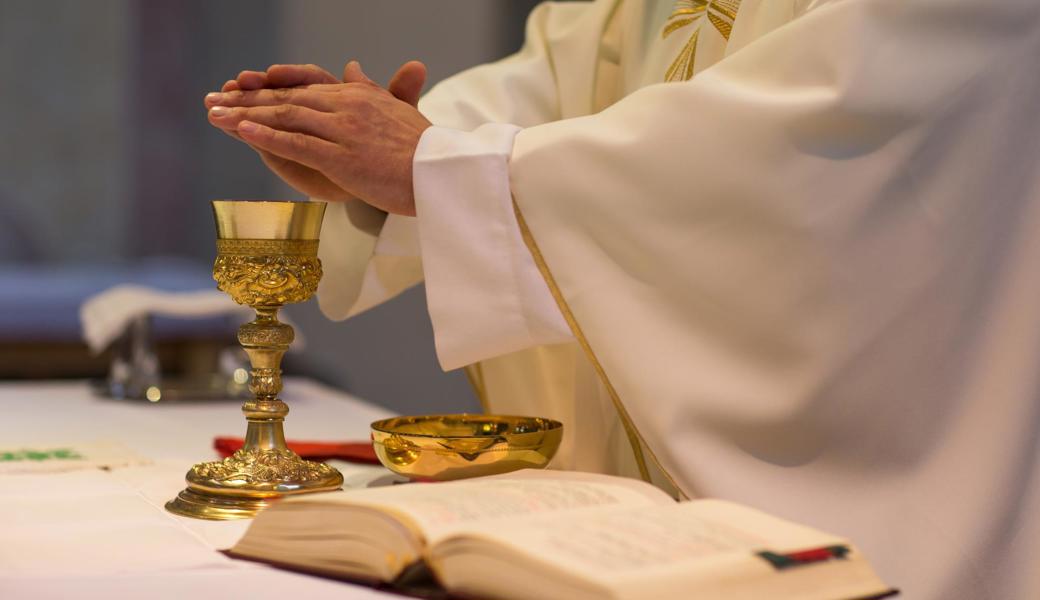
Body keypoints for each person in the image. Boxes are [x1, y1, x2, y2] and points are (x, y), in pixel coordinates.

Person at [204, 1, 1040, 598]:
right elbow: (552, 73)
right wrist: (387, 156)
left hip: (883, 491)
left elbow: (823, 137)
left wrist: (445, 168)